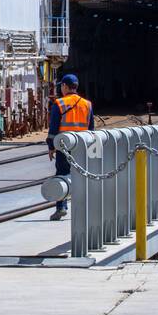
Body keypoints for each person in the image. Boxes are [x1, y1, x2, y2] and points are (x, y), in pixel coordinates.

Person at [47, 73, 93, 220]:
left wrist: (51, 147)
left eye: (62, 86)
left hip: (64, 147)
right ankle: (84, 208)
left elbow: (53, 129)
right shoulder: (87, 104)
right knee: (81, 176)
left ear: (65, 86)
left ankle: (61, 207)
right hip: (82, 145)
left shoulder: (59, 104)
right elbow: (91, 129)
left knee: (62, 175)